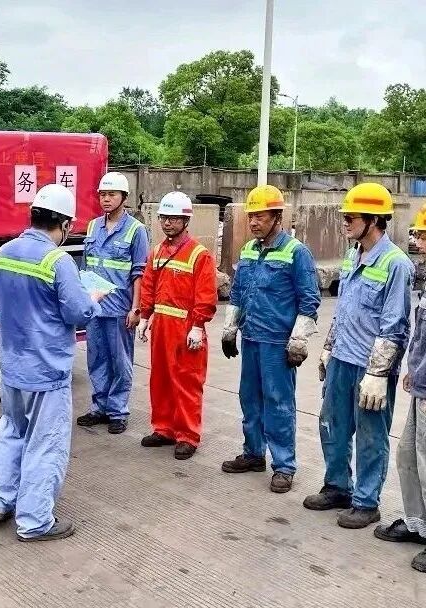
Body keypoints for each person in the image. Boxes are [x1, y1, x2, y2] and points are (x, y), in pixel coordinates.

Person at [0, 183, 105, 542]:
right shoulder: (58, 261)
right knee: (45, 443)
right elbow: (78, 313)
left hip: (11, 365)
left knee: (11, 431)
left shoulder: (4, 253)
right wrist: (92, 298)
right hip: (46, 369)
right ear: (65, 225)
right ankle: (35, 521)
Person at [304, 182, 414, 529]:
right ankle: (338, 487)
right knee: (332, 425)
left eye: (351, 217)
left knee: (370, 436)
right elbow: (344, 309)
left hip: (370, 368)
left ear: (374, 220)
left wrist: (378, 374)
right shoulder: (353, 255)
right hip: (342, 358)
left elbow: (395, 325)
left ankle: (366, 502)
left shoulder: (396, 264)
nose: (344, 222)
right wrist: (328, 348)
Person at [220, 185, 321, 493]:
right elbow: (238, 292)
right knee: (249, 397)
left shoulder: (296, 253)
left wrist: (299, 340)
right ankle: (253, 453)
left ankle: (284, 465)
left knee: (278, 402)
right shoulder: (249, 250)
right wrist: (230, 328)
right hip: (251, 337)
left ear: (277, 217)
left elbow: (309, 300)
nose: (253, 222)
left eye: (260, 217)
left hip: (277, 343)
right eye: (251, 216)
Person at [136, 191, 218, 460]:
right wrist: (145, 316)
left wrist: (198, 325)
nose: (167, 223)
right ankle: (164, 428)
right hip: (161, 325)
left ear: (186, 221)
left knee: (187, 381)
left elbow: (206, 294)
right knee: (160, 379)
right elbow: (149, 285)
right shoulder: (157, 252)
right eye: (164, 218)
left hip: (185, 326)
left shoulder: (199, 254)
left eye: (173, 218)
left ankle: (187, 435)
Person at [373, 201, 426, 571]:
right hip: (422, 383)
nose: (417, 241)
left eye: (423, 235)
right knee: (408, 455)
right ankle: (417, 523)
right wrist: (413, 368)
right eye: (418, 234)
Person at [76, 172, 149, 435]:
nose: (106, 199)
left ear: (124, 198)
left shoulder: (136, 230)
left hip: (120, 308)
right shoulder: (93, 227)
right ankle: (100, 407)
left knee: (120, 361)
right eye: (103, 195)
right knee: (96, 359)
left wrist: (136, 308)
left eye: (112, 195)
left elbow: (139, 273)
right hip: (95, 307)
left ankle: (118, 411)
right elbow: (86, 267)